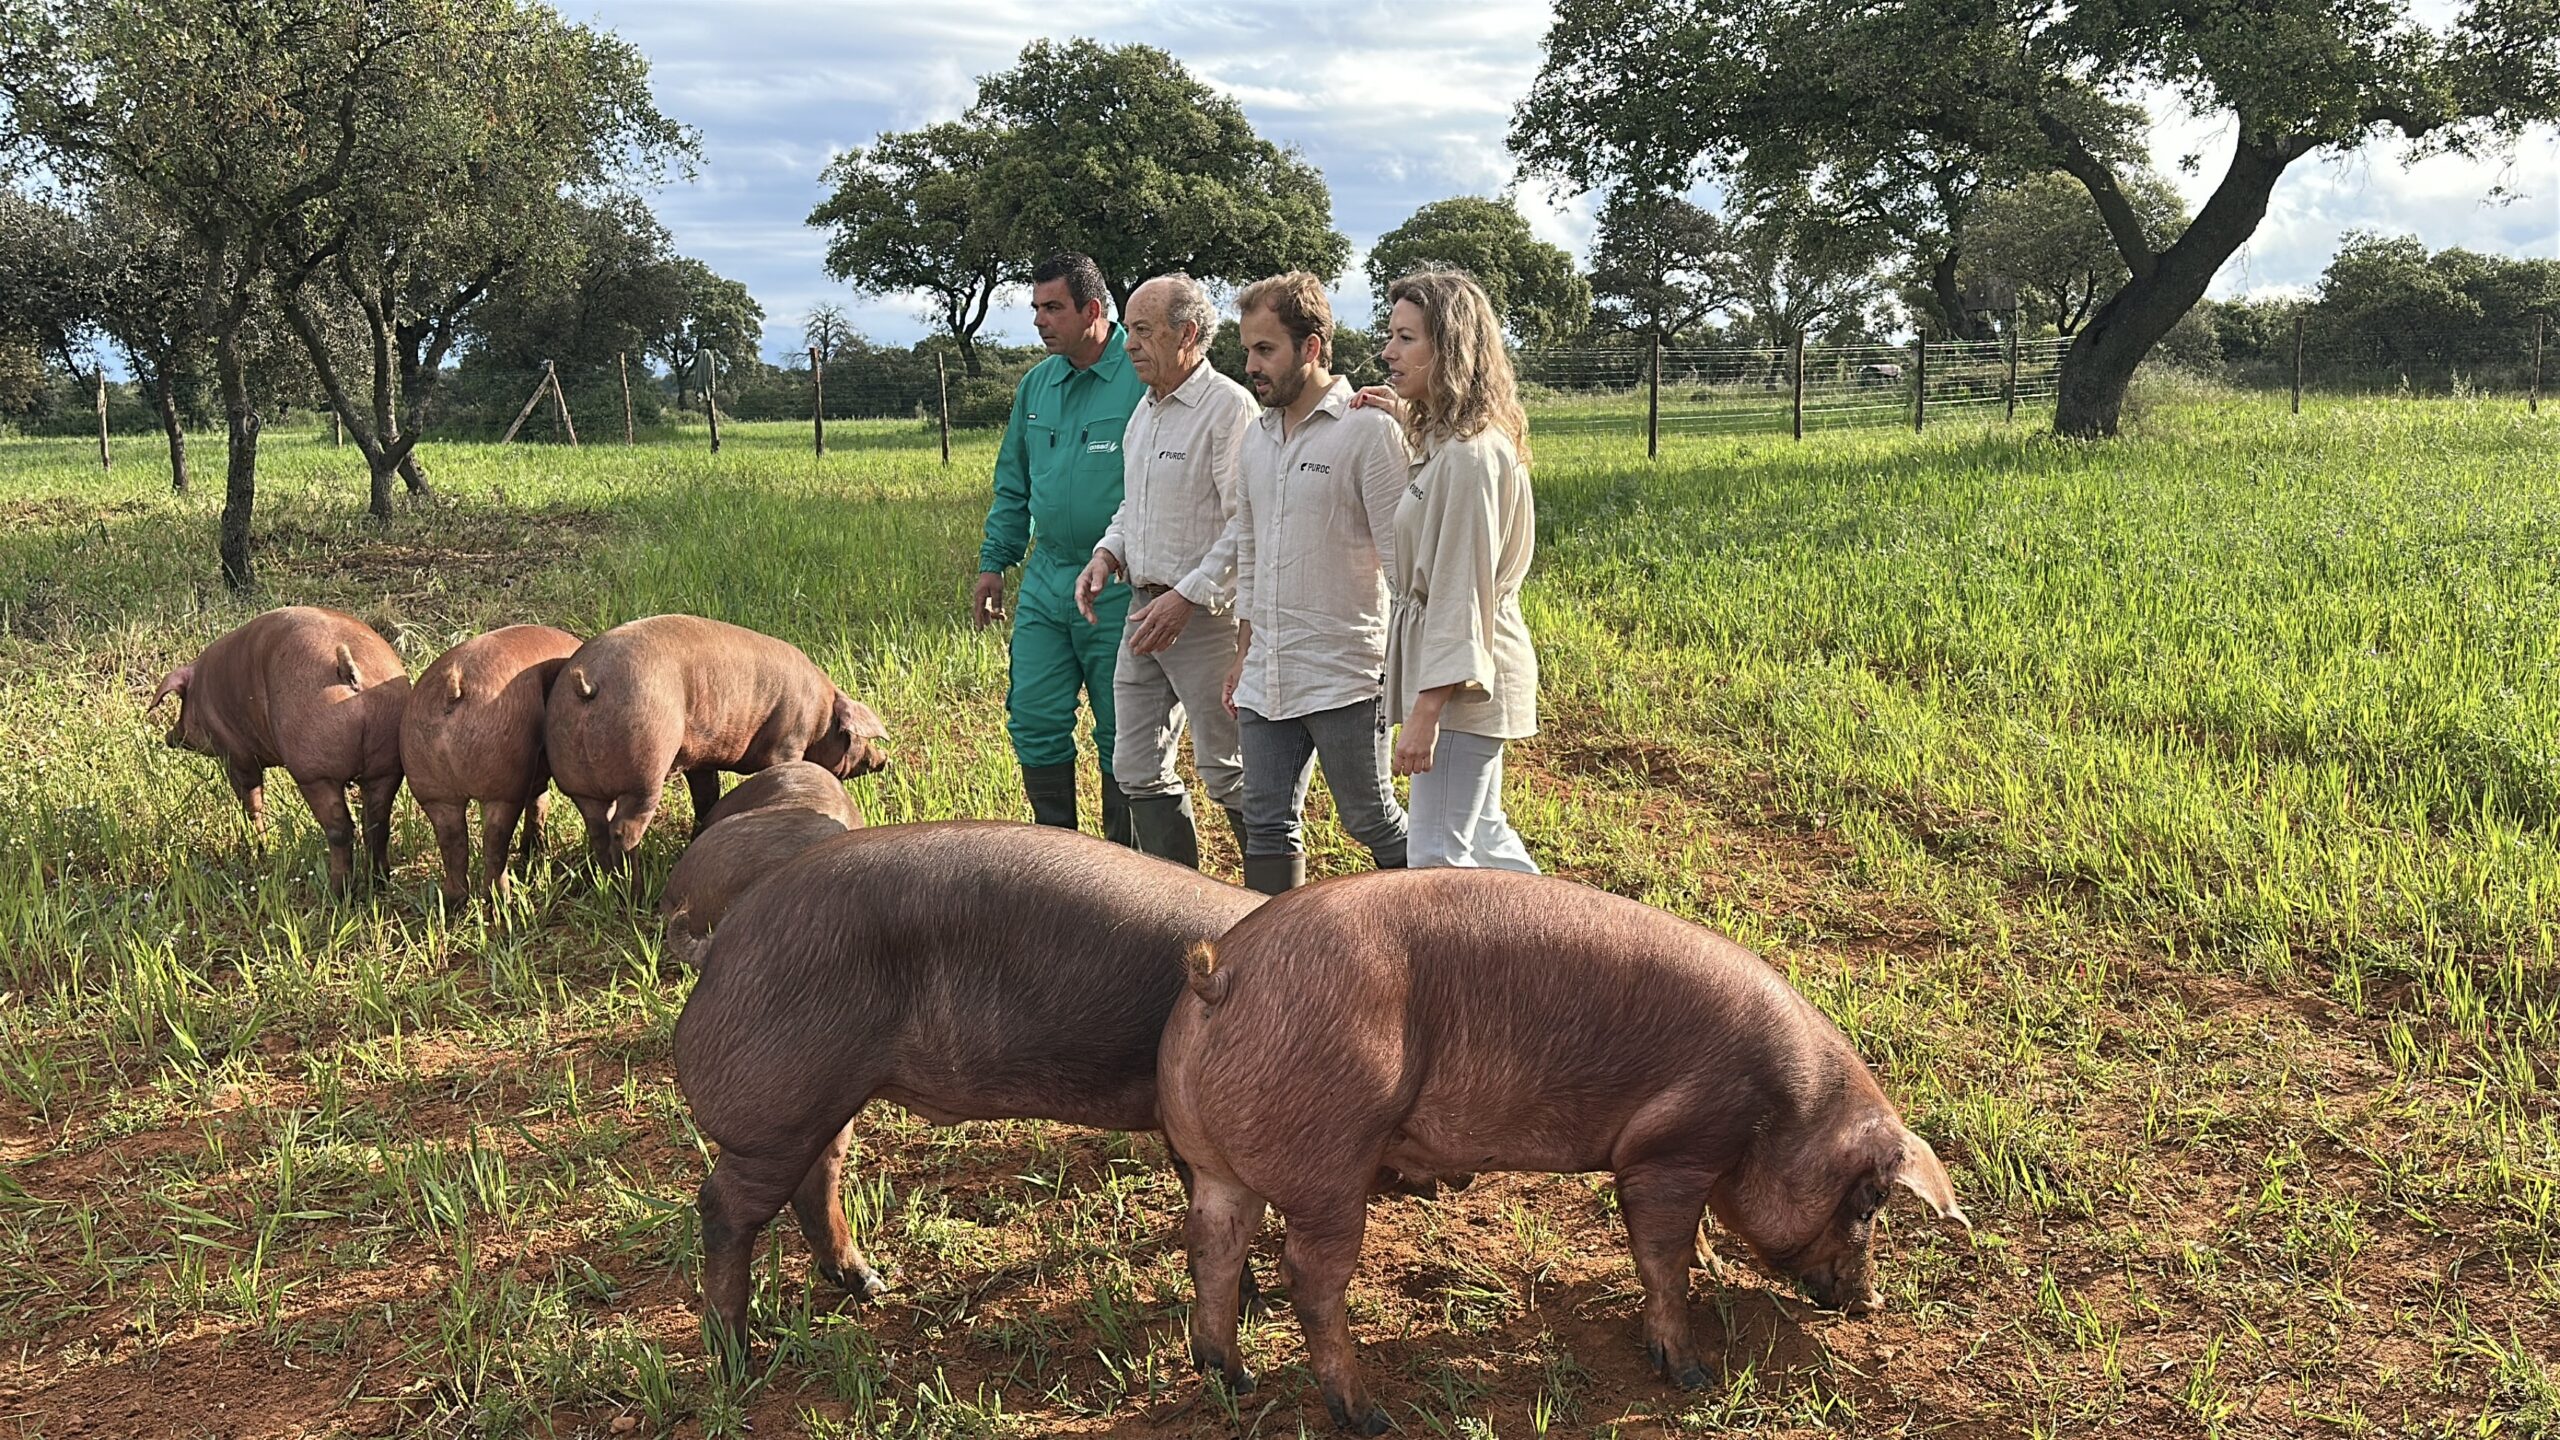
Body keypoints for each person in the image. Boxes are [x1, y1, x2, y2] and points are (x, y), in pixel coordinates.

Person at [1217, 271, 1411, 894]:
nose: (1251, 365)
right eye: (1246, 349)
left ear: (1313, 347)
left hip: (1344, 673)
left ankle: (1440, 927)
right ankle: (1273, 970)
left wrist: (1412, 675)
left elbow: (1403, 565)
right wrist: (1244, 653)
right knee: (1266, 822)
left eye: (1265, 349)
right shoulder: (1256, 438)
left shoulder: (1368, 430)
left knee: (1369, 818)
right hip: (1268, 671)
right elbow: (1249, 552)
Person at [1073, 273, 1257, 867]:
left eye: (1145, 331)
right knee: (1136, 768)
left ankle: (1277, 912)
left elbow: (1245, 522)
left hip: (1204, 619)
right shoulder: (1146, 413)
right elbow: (1136, 506)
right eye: (1129, 329)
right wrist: (1108, 553)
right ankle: (1179, 902)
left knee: (1228, 770)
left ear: (1189, 335)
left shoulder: (1228, 409)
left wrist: (1188, 597)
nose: (1129, 343)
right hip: (1142, 611)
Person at [1358, 269, 1540, 871]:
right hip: (1458, 672)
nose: (1388, 352)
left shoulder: (1467, 458)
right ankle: (1567, 957)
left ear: (1452, 348)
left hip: (1463, 680)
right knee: (1484, 837)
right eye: (1391, 336)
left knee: (1437, 854)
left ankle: (1484, 966)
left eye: (1406, 338)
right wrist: (1404, 410)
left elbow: (1460, 593)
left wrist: (1425, 714)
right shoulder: (1448, 442)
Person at [974, 252, 1146, 843]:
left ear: (1092, 310)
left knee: (1123, 729)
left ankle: (1122, 867)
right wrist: (995, 562)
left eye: (1053, 308)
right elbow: (1013, 481)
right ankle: (1060, 857)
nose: (1040, 321)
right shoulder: (1036, 386)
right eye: (1036, 309)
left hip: (1120, 583)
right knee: (1036, 717)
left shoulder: (1142, 376)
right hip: (1048, 580)